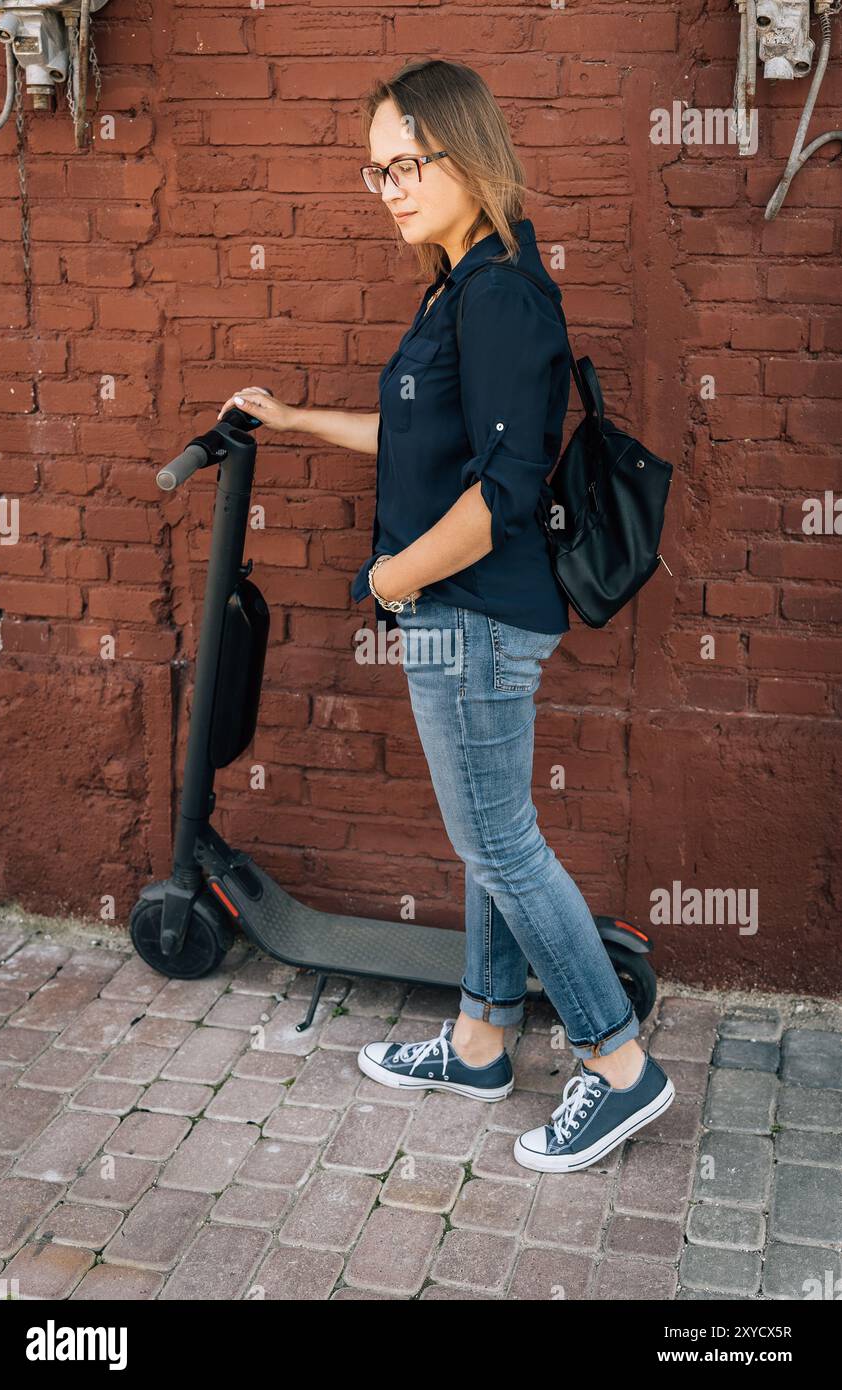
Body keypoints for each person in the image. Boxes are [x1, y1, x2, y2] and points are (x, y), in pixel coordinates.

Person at [219, 58, 674, 1174]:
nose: (388, 186)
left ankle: (618, 1065)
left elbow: (501, 495)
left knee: (499, 842)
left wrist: (388, 581)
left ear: (467, 153)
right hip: (449, 609)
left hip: (468, 610)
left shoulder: (505, 293)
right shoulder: (454, 286)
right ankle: (479, 1037)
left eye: (407, 163)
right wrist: (294, 419)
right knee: (484, 835)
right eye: (375, 170)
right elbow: (422, 445)